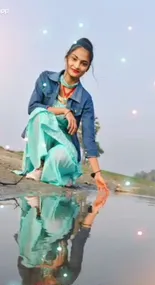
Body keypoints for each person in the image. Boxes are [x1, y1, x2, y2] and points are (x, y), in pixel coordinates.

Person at [16, 38, 108, 191]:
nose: (77, 66)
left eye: (83, 63)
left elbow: (88, 137)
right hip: (40, 141)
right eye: (74, 59)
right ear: (67, 57)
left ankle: (56, 171)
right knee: (41, 114)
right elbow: (32, 108)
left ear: (87, 68)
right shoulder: (45, 78)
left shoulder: (86, 99)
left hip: (64, 145)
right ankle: (39, 166)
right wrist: (65, 111)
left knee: (57, 159)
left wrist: (97, 173)